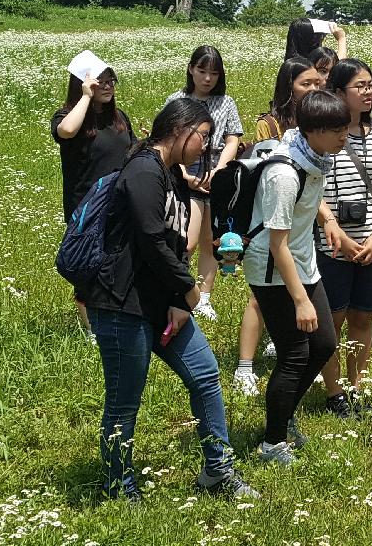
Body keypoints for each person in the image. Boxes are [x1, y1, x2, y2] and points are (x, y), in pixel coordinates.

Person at [82, 97, 256, 502]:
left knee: (206, 375)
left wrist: (179, 300)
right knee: (124, 401)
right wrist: (190, 289)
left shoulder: (171, 172)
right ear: (181, 131)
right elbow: (152, 241)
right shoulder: (144, 171)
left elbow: (178, 242)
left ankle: (218, 469)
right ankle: (118, 484)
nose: (206, 148)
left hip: (162, 302)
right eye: (204, 138)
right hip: (122, 303)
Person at [244, 89, 351, 465]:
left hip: (303, 262)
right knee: (294, 355)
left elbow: (311, 197)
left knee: (322, 345)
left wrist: (329, 220)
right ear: (314, 131)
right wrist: (301, 300)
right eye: (338, 130)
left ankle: (284, 414)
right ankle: (272, 443)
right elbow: (277, 245)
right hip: (274, 271)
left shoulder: (311, 158)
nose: (345, 136)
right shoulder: (283, 174)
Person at [234, 57, 327, 396]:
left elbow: (310, 189)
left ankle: (283, 355)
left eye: (318, 83)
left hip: (300, 227)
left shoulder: (320, 137)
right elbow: (280, 187)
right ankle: (246, 366)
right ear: (289, 87)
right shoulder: (273, 128)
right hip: (272, 230)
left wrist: (327, 219)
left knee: (314, 339)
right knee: (263, 299)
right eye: (306, 84)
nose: (313, 89)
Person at [316, 59, 372, 415]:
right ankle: (334, 392)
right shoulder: (320, 137)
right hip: (331, 246)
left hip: (371, 246)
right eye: (360, 86)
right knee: (332, 320)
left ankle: (357, 387)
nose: (369, 93)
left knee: (363, 318)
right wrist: (333, 228)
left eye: (371, 85)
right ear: (338, 93)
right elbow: (310, 190)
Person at [55, 64, 135, 328]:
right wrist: (86, 97)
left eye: (111, 80)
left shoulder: (119, 118)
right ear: (83, 83)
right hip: (86, 206)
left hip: (119, 202)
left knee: (117, 260)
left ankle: (114, 316)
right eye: (99, 81)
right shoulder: (67, 116)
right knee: (88, 263)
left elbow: (132, 151)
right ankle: (91, 328)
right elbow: (66, 131)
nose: (107, 85)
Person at [178, 46, 243, 323]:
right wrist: (183, 174)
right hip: (186, 169)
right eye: (202, 71)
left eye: (213, 73)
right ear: (191, 69)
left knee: (210, 242)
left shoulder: (225, 102)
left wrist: (218, 171)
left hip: (217, 170)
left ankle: (204, 298)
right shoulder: (177, 100)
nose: (207, 78)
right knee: (187, 242)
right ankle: (182, 294)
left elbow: (232, 139)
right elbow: (168, 140)